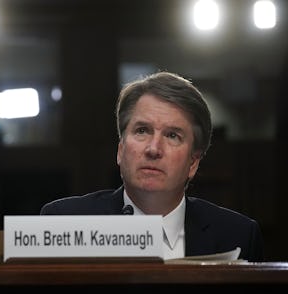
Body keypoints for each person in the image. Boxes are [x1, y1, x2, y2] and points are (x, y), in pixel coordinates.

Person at [40, 71, 264, 262]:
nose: (153, 148)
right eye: (142, 131)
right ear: (120, 150)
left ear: (193, 163)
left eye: (172, 135)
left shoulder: (238, 235)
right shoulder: (64, 222)